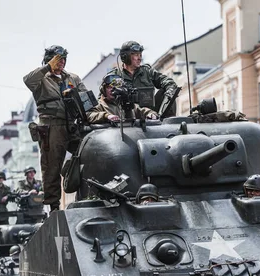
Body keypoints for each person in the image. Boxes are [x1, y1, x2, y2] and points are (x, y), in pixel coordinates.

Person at [23, 45, 87, 212]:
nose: (62, 62)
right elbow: (28, 80)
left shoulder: (72, 78)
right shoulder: (42, 79)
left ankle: (87, 194)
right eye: (58, 59)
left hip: (72, 124)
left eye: (64, 59)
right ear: (49, 59)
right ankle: (54, 206)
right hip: (51, 126)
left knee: (88, 155)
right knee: (52, 166)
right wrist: (47, 67)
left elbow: (86, 100)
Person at [107, 41, 178, 116]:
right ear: (125, 57)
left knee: (168, 92)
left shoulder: (147, 72)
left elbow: (167, 81)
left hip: (150, 115)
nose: (139, 58)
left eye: (140, 55)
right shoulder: (115, 76)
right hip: (125, 117)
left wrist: (170, 91)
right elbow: (103, 99)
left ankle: (167, 122)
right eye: (136, 55)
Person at [87, 74, 159, 123]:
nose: (112, 90)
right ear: (103, 90)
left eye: (116, 87)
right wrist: (106, 116)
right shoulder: (100, 105)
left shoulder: (125, 103)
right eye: (109, 87)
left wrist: (151, 114)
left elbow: (142, 110)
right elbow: (89, 115)